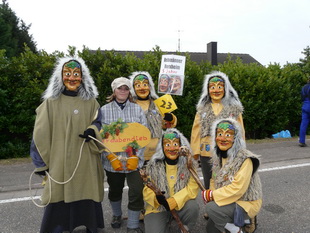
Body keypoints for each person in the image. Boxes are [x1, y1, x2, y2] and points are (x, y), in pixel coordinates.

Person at [30, 56, 105, 233]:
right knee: (59, 193)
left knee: (86, 189)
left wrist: (91, 131)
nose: (72, 78)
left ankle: (90, 225)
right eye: (67, 73)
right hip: (59, 161)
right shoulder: (50, 103)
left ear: (83, 77)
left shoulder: (91, 102)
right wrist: (41, 164)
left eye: (76, 74)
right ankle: (57, 227)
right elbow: (39, 134)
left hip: (85, 159)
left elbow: (99, 122)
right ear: (60, 77)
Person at [100, 77, 147, 233]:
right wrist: (110, 156)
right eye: (120, 88)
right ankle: (116, 215)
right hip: (113, 162)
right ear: (114, 90)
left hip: (134, 161)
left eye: (126, 88)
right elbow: (100, 137)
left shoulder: (137, 109)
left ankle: (133, 224)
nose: (123, 91)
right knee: (115, 190)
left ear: (129, 91)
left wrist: (136, 156)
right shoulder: (104, 110)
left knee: (136, 190)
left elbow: (144, 135)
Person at [201, 118, 262, 233]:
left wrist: (213, 195)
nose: (223, 138)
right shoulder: (217, 157)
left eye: (228, 135)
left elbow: (238, 189)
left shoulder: (245, 159)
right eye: (219, 134)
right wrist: (211, 194)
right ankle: (230, 222)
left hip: (245, 201)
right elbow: (214, 179)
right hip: (227, 199)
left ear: (236, 138)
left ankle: (238, 228)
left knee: (211, 209)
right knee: (211, 229)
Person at [190, 71, 245, 190]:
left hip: (228, 152)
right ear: (207, 90)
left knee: (226, 179)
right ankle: (210, 204)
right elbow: (196, 129)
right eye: (212, 87)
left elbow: (240, 129)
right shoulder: (202, 108)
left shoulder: (234, 108)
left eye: (220, 86)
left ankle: (223, 203)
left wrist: (241, 149)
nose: (216, 90)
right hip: (206, 152)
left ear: (225, 89)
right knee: (208, 179)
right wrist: (194, 151)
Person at [143, 128, 200, 233]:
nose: (172, 148)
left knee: (193, 207)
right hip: (159, 208)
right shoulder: (153, 165)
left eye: (175, 144)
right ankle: (164, 221)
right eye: (167, 145)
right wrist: (157, 199)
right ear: (162, 147)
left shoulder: (189, 164)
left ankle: (184, 228)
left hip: (180, 205)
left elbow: (192, 187)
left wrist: (174, 201)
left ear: (181, 146)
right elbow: (147, 189)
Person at [129, 71, 177, 164]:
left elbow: (169, 124)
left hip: (157, 151)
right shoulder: (130, 105)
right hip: (137, 152)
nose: (142, 88)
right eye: (138, 85)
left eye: (145, 84)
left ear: (150, 87)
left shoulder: (158, 103)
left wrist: (170, 118)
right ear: (133, 88)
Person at [299, 77, 310, 147]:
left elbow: (302, 98)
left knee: (303, 125)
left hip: (305, 106)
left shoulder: (304, 87)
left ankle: (302, 141)